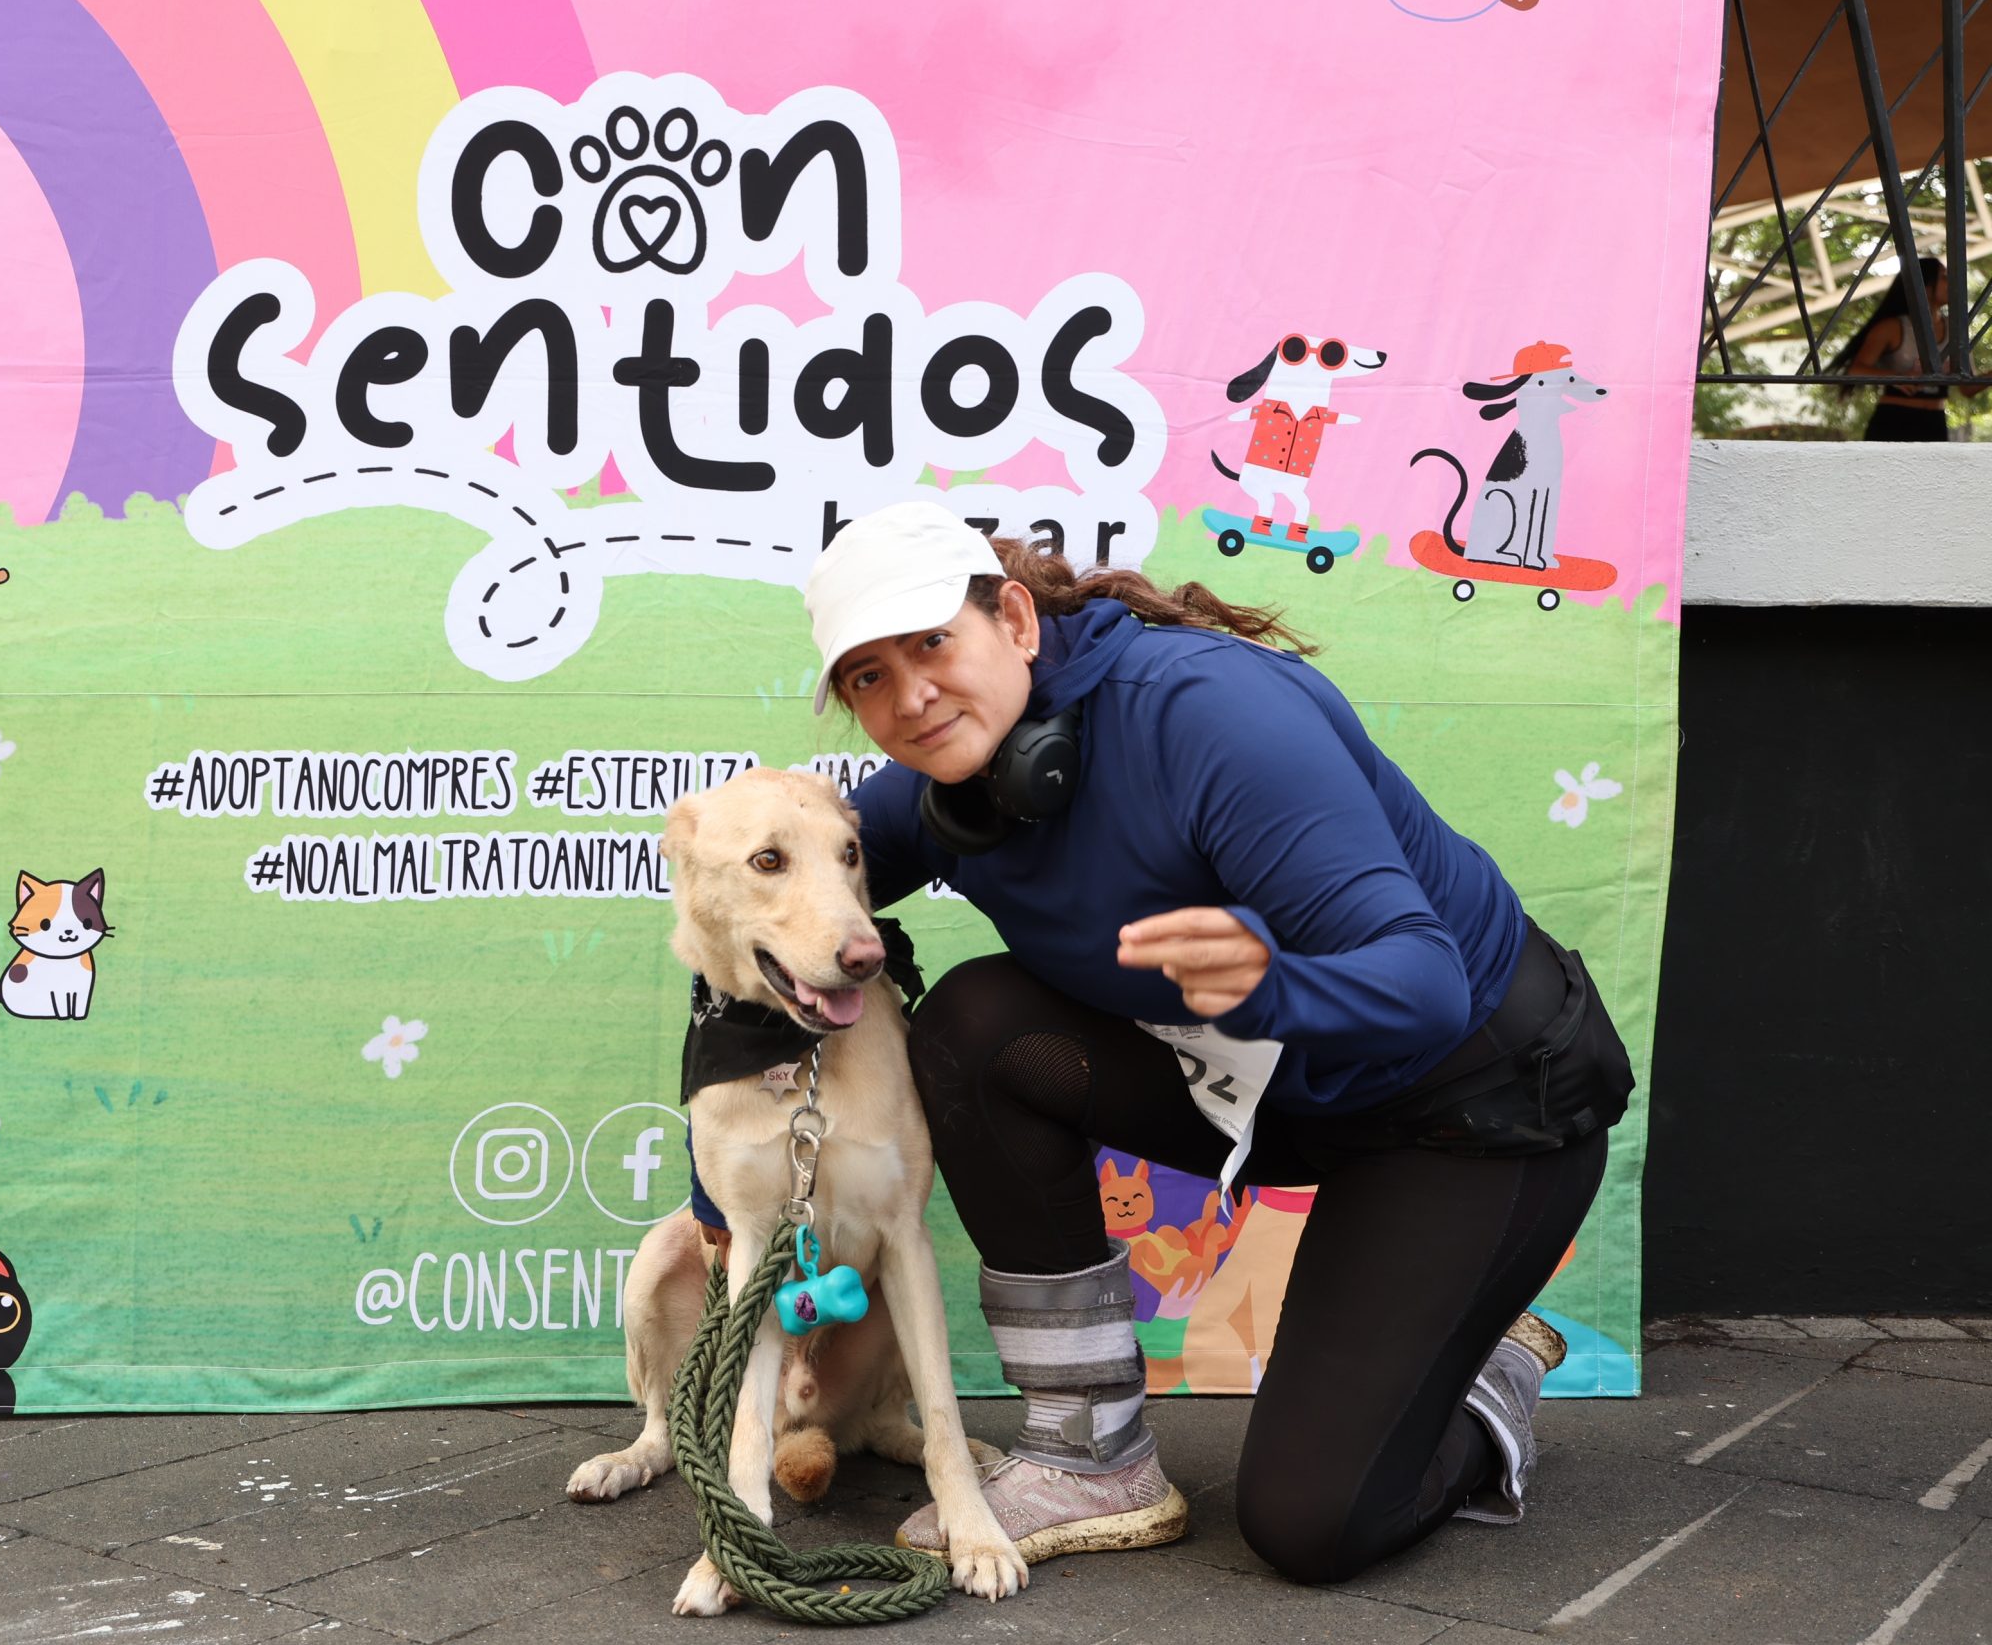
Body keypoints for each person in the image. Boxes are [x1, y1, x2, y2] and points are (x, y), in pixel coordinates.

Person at [690, 501, 1634, 1586]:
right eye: (867, 677)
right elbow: (764, 917)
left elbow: (1424, 986)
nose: (909, 696)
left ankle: (1483, 1365)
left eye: (931, 644)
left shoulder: (1210, 718)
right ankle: (1090, 1453)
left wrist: (1277, 980)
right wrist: (721, 1197)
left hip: (1470, 1102)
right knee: (973, 1026)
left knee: (1311, 1525)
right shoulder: (950, 781)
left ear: (1013, 620)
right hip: (1273, 1089)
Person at [1836, 256, 1984, 441]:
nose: (1952, 283)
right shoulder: (1892, 327)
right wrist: (1897, 378)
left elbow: (1967, 388)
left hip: (1935, 422)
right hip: (1893, 420)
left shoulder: (1956, 330)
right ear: (1926, 284)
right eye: (1945, 277)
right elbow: (1854, 370)